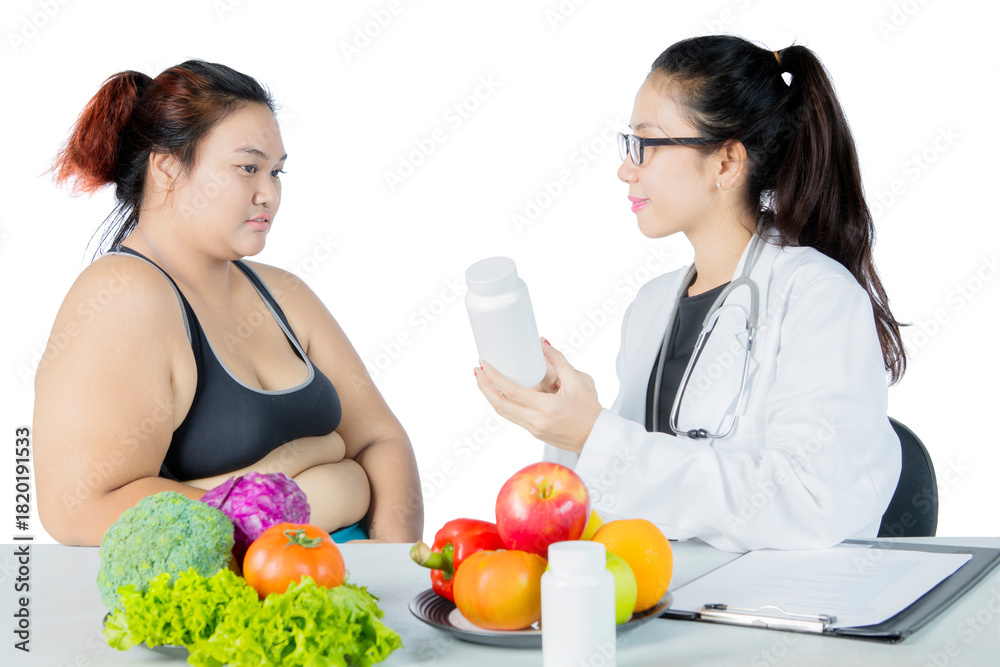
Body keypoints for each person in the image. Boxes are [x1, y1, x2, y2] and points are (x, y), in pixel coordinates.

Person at [475, 36, 905, 552]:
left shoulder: (819, 298)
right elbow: (623, 495)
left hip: (780, 596)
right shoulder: (651, 306)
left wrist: (596, 436)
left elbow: (810, 501)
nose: (625, 168)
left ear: (726, 163)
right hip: (661, 587)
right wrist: (568, 424)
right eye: (628, 143)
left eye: (646, 144)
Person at [35, 60, 422, 546]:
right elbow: (77, 509)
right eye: (248, 168)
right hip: (235, 589)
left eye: (276, 172)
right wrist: (309, 492)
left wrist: (390, 566)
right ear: (166, 167)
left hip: (351, 582)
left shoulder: (284, 293)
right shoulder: (122, 295)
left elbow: (380, 440)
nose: (269, 194)